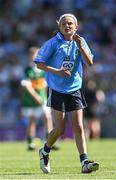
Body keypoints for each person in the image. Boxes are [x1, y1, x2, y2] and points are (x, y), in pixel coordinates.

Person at [34, 13, 99, 173]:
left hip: (75, 89)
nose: (67, 26)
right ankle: (45, 151)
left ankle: (84, 162)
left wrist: (81, 46)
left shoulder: (80, 41)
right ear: (59, 27)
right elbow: (39, 64)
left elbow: (90, 63)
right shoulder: (53, 43)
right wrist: (57, 71)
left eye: (70, 23)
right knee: (60, 130)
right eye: (64, 24)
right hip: (57, 90)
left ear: (76, 27)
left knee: (78, 126)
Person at [21, 47, 59, 151]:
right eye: (33, 55)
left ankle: (49, 141)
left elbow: (45, 84)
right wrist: (36, 96)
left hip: (42, 98)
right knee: (32, 120)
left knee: (47, 117)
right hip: (30, 100)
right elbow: (26, 86)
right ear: (30, 56)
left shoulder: (42, 69)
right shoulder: (27, 70)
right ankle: (30, 142)